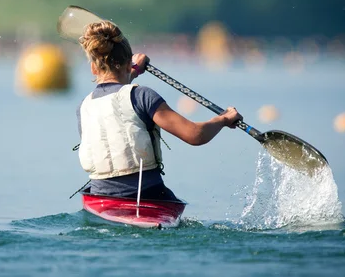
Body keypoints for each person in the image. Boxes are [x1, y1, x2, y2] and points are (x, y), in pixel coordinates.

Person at [76, 21, 243, 201]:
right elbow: (195, 135)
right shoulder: (143, 96)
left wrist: (133, 71)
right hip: (147, 196)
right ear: (127, 63)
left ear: (93, 68)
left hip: (101, 198)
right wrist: (224, 119)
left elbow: (115, 98)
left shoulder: (84, 107)